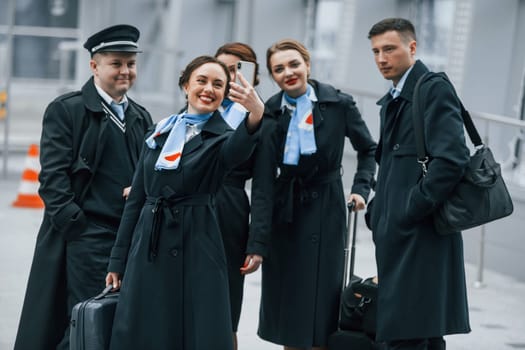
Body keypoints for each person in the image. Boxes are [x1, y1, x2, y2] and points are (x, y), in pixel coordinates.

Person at [105, 55, 263, 350]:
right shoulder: (158, 132)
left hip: (198, 244)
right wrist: (118, 260)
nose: (209, 89)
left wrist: (255, 115)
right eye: (201, 81)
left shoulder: (224, 137)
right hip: (149, 246)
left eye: (218, 84)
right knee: (146, 329)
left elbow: (238, 151)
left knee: (194, 330)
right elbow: (137, 198)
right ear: (185, 85)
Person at [14, 24, 153, 350]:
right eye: (116, 63)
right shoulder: (67, 110)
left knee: (117, 323)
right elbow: (52, 180)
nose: (125, 71)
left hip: (128, 241)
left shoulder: (140, 117)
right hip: (86, 237)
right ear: (94, 66)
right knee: (87, 321)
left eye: (130, 63)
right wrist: (78, 227)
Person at [258, 38, 377, 350]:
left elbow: (368, 149)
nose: (288, 72)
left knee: (323, 303)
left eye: (294, 64)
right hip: (286, 212)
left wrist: (361, 188)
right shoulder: (270, 111)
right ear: (273, 76)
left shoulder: (339, 104)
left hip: (327, 206)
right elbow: (263, 172)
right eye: (279, 69)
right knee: (290, 306)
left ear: (307, 65)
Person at [366, 18, 471, 349]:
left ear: (412, 47)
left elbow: (453, 158)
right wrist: (378, 209)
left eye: (389, 49)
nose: (382, 58)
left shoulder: (432, 88)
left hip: (421, 233)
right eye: (375, 51)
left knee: (406, 332)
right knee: (421, 332)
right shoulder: (395, 96)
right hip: (401, 232)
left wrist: (410, 208)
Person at [214, 42, 271, 350]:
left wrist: (257, 243)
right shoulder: (199, 103)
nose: (230, 75)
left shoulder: (261, 118)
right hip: (187, 212)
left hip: (229, 213)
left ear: (254, 76)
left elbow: (263, 185)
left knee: (225, 310)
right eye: (223, 68)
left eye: (238, 69)